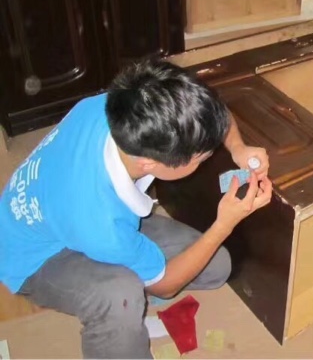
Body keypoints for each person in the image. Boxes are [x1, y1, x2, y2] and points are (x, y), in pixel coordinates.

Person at [0, 59, 272, 359]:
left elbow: (211, 115)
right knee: (121, 295)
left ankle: (138, 272)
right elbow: (167, 287)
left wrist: (238, 148)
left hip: (68, 213)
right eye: (201, 159)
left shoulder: (122, 106)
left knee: (215, 266)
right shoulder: (103, 222)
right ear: (150, 164)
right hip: (35, 257)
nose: (207, 159)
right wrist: (224, 224)